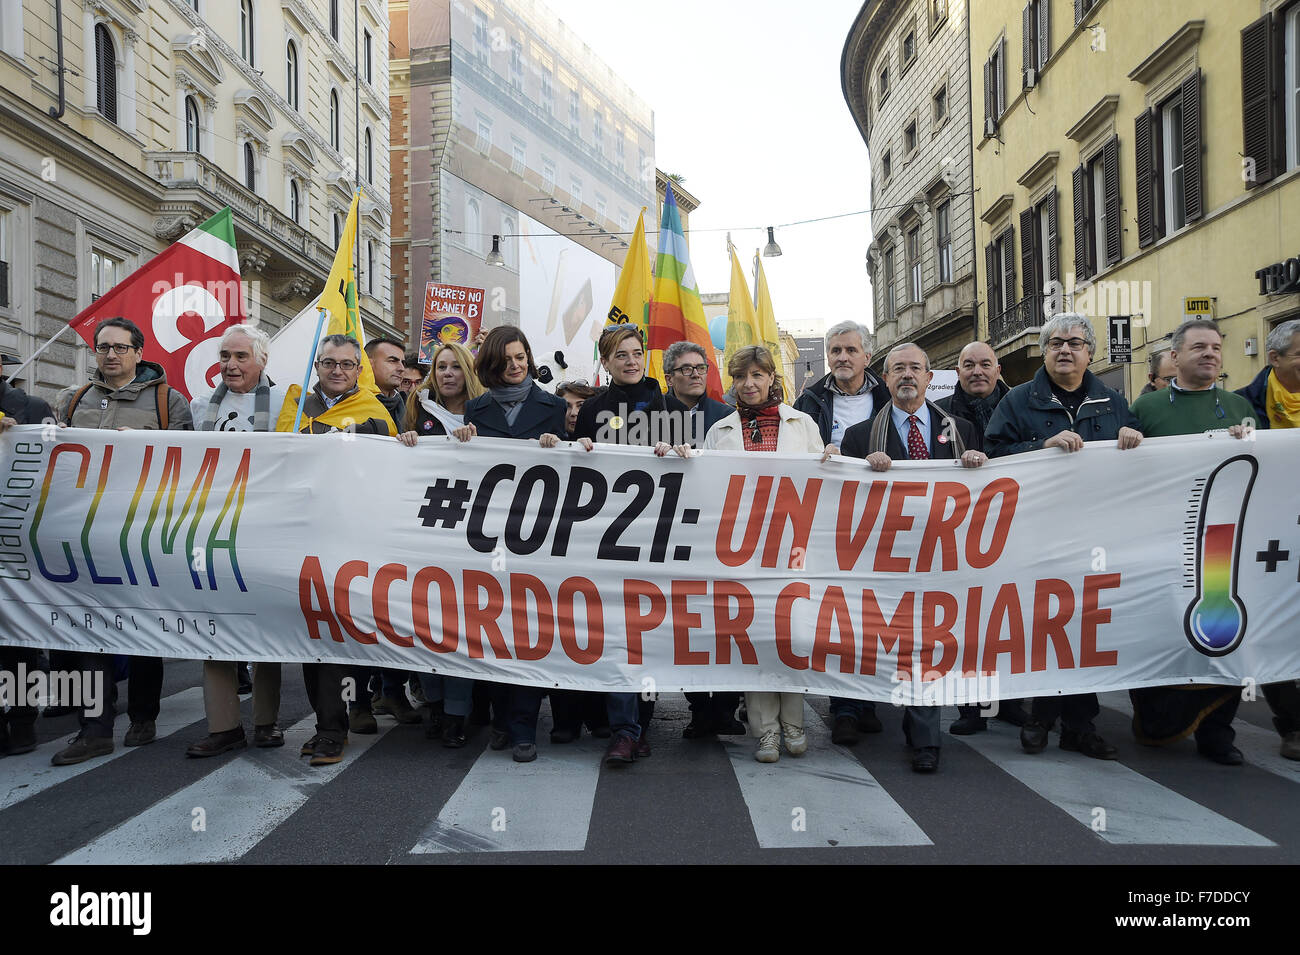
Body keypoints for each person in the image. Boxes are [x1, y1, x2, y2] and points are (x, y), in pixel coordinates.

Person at [985, 313, 1142, 760]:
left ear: (1090, 351)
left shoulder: (1113, 403)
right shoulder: (1016, 401)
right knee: (1045, 627)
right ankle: (1039, 715)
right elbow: (994, 455)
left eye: (1074, 342)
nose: (1064, 350)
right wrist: (1040, 449)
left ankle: (1078, 724)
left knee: (1085, 630)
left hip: (1097, 537)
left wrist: (1135, 437)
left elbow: (1138, 468)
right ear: (1044, 351)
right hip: (1039, 535)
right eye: (1055, 342)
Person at [49, 317, 193, 765]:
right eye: (103, 347)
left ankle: (143, 714)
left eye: (119, 347)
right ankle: (94, 728)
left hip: (142, 531)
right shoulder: (70, 400)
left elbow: (189, 462)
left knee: (142, 626)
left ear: (138, 352)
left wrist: (145, 442)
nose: (110, 354)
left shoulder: (170, 403)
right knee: (89, 630)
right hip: (83, 531)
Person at [841, 343, 987, 773]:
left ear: (929, 378)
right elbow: (842, 503)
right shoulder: (859, 436)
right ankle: (875, 712)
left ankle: (925, 738)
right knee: (894, 644)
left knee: (926, 645)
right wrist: (860, 469)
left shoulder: (961, 429)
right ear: (885, 380)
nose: (907, 375)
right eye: (897, 369)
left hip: (944, 556)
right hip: (886, 558)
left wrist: (978, 463)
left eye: (915, 369)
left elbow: (983, 493)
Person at [1130, 319, 1259, 765]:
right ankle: (1157, 718)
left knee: (1223, 632)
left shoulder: (1240, 406)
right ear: (1176, 356)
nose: (1210, 354)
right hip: (1161, 542)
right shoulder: (1145, 409)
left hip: (1222, 543)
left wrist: (1251, 441)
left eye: (1216, 348)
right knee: (1162, 629)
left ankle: (1217, 732)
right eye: (1199, 347)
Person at [702, 345, 833, 763]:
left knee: (791, 635)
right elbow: (706, 490)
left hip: (793, 547)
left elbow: (824, 483)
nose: (749, 384)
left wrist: (831, 457)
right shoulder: (719, 430)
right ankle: (766, 732)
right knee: (755, 636)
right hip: (743, 548)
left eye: (757, 375)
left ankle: (794, 722)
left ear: (772, 378)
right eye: (742, 377)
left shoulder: (803, 423)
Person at [276, 334, 396, 766]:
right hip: (305, 533)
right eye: (329, 363)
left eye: (347, 364)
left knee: (342, 634)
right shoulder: (294, 407)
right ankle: (329, 724)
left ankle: (342, 720)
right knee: (315, 635)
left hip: (353, 538)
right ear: (317, 366)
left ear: (358, 370)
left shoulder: (375, 411)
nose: (337, 371)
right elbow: (282, 455)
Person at [454, 325, 566, 763]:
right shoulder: (475, 409)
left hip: (539, 533)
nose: (517, 365)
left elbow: (576, 463)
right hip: (492, 535)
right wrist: (463, 444)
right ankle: (502, 717)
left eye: (522, 357)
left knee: (529, 630)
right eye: (507, 360)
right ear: (492, 365)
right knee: (495, 627)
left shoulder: (553, 407)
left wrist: (562, 446)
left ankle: (522, 727)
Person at [570, 324, 675, 765]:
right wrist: (581, 448)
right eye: (620, 356)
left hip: (660, 535)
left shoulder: (669, 402)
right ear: (607, 363)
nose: (631, 361)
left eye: (636, 353)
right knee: (617, 633)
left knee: (646, 635)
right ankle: (625, 731)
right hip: (609, 539)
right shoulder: (594, 408)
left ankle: (637, 727)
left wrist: (680, 450)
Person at [184, 325, 289, 756]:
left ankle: (265, 722)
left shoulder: (287, 404)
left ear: (262, 361)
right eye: (225, 356)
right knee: (216, 625)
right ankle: (223, 726)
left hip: (265, 530)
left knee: (264, 627)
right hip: (212, 529)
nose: (230, 364)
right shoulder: (197, 406)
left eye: (241, 356)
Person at [792, 319, 891, 745]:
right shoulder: (809, 399)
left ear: (867, 357)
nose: (842, 358)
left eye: (850, 350)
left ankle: (868, 699)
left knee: (877, 608)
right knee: (841, 610)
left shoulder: (889, 394)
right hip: (832, 518)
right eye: (835, 351)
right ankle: (845, 707)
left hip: (885, 517)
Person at [935, 341, 1028, 733]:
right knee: (968, 622)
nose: (977, 371)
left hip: (1014, 526)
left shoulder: (1021, 406)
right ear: (957, 371)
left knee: (1009, 619)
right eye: (968, 364)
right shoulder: (941, 415)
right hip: (963, 533)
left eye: (984, 364)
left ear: (998, 367)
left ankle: (1008, 701)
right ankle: (971, 707)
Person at [395, 340, 483, 747]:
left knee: (461, 629)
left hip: (469, 539)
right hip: (426, 536)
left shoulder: (485, 413)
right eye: (441, 367)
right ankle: (433, 701)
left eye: (455, 367)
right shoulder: (418, 406)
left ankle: (456, 716)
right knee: (428, 627)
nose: (448, 373)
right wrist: (407, 442)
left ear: (468, 371)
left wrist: (479, 441)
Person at [661, 340, 744, 738]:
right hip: (671, 535)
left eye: (701, 368)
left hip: (718, 532)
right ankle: (699, 708)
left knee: (725, 621)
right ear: (669, 376)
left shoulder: (728, 417)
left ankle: (726, 708)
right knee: (685, 623)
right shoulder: (647, 417)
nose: (695, 374)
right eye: (686, 369)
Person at [1235, 318, 1300, 760]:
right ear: (1274, 359)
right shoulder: (1241, 407)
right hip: (1270, 539)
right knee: (1279, 627)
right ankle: (1292, 725)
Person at [0, 353, 55, 757]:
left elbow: (55, 473)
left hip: (16, 541)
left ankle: (21, 720)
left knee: (17, 635)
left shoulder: (33, 408)